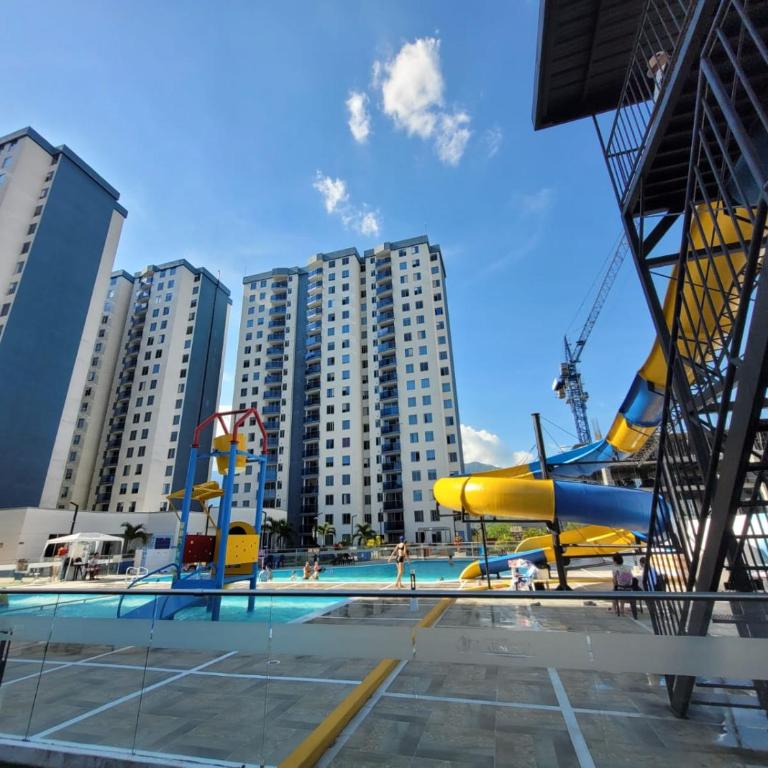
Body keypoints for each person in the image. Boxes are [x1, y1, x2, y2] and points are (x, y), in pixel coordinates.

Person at [611, 554, 636, 618]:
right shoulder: (627, 567)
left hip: (620, 587)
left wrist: (615, 586)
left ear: (615, 561)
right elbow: (632, 577)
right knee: (621, 590)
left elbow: (614, 581)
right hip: (629, 588)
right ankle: (622, 608)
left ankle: (614, 608)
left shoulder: (615, 569)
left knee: (614, 591)